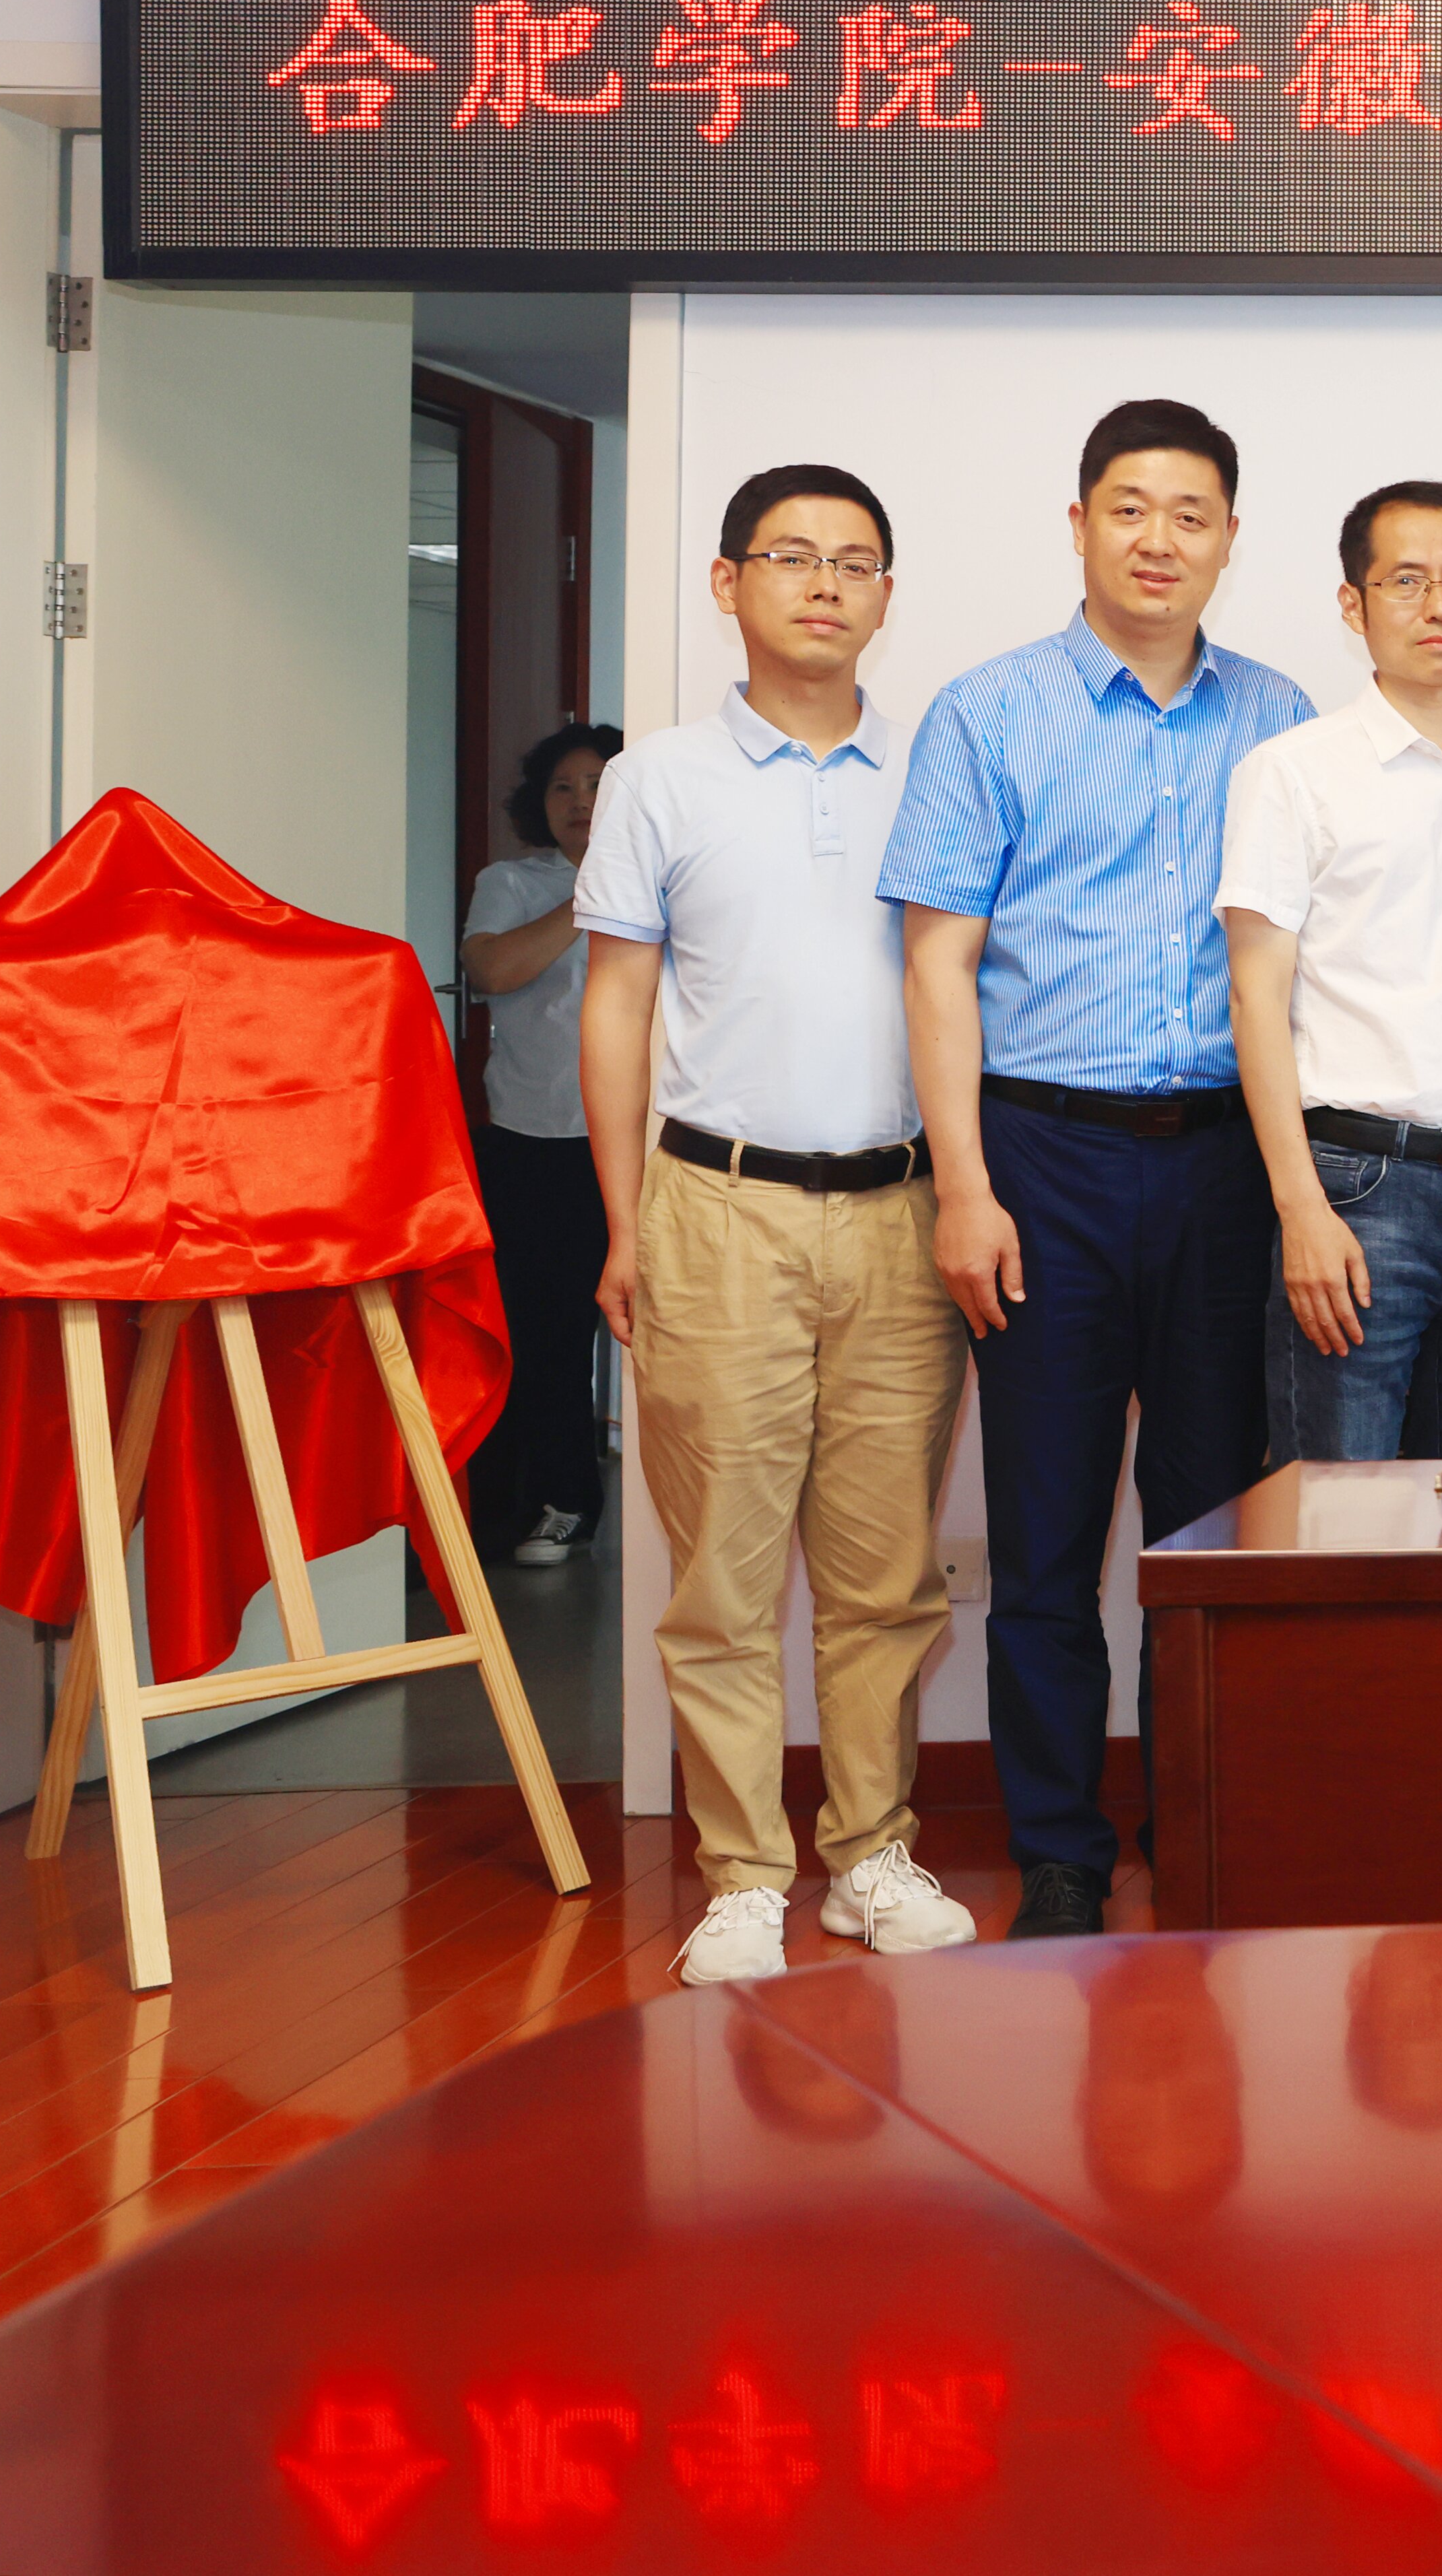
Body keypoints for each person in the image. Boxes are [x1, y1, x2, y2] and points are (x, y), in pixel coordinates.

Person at [880, 397, 1319, 1941]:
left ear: (1229, 539)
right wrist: (965, 1183)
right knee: (1049, 1528)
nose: (1158, 539)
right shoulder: (987, 713)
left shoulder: (1281, 719)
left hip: (1224, 1165)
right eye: (1129, 507)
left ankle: (1195, 1824)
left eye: (1190, 514)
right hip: (1043, 1159)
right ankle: (1060, 1849)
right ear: (1079, 524)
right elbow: (938, 963)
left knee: (1209, 1529)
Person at [571, 464, 974, 1986]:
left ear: (886, 595)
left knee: (886, 1574)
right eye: (792, 556)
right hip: (714, 1207)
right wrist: (625, 1221)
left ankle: (870, 1853)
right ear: (728, 581)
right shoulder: (659, 777)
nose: (824, 583)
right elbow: (618, 1003)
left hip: (902, 1210)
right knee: (724, 1577)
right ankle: (744, 1873)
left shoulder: (939, 766)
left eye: (854, 561)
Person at [1223, 481, 1442, 1466]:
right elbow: (1254, 997)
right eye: (1407, 580)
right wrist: (1299, 1207)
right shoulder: (1292, 772)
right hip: (1361, 1189)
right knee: (1341, 1508)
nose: (1439, 605)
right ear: (1355, 605)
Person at [459, 720, 621, 1571]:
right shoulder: (512, 882)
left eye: (598, 784)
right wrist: (591, 887)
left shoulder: (668, 876)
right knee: (544, 1332)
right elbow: (493, 971)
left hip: (644, 1141)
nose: (581, 801)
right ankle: (558, 1500)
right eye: (564, 787)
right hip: (535, 1142)